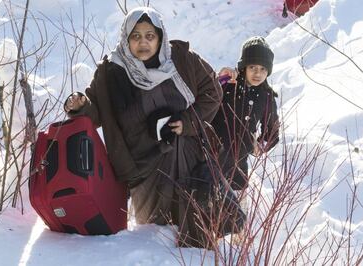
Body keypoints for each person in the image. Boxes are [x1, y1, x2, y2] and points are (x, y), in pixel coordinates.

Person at [63, 7, 224, 248]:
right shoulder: (111, 72)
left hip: (189, 156)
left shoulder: (182, 59)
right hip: (144, 166)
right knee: (154, 238)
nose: (143, 43)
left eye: (150, 36)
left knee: (196, 227)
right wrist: (81, 105)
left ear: (160, 37)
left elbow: (213, 91)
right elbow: (96, 111)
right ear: (126, 38)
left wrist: (189, 122)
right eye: (136, 36)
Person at [212, 36, 280, 192]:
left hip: (238, 163)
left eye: (263, 69)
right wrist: (220, 78)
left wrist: (261, 145)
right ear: (244, 67)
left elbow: (273, 131)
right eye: (253, 67)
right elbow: (206, 97)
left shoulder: (266, 96)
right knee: (208, 204)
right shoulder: (229, 84)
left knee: (237, 210)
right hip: (211, 155)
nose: (258, 73)